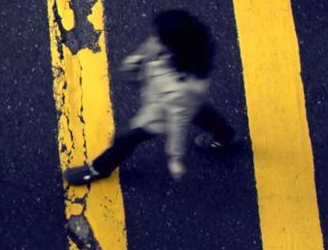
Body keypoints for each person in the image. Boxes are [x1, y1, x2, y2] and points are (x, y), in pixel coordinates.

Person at [65, 10, 245, 186]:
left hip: (160, 113)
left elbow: (177, 124)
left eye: (158, 36)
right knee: (197, 110)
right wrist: (137, 60)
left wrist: (175, 157)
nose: (153, 38)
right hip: (180, 100)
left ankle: (99, 168)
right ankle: (225, 135)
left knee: (127, 138)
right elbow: (152, 46)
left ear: (173, 46)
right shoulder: (187, 44)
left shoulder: (180, 87)